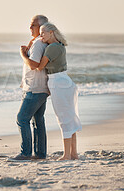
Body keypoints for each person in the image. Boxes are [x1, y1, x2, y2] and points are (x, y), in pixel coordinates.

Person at [34, 22, 82, 160]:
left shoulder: (52, 48)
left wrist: (25, 55)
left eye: (43, 32)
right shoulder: (60, 46)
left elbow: (39, 67)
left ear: (51, 33)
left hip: (58, 83)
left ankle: (67, 155)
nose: (40, 35)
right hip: (64, 82)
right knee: (70, 118)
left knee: (64, 119)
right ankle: (73, 154)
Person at [10, 15, 49, 161]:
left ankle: (25, 153)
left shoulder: (39, 43)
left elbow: (33, 65)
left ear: (41, 28)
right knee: (38, 120)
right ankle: (40, 153)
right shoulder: (40, 42)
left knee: (22, 118)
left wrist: (22, 55)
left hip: (34, 88)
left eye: (33, 25)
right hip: (41, 87)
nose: (30, 27)